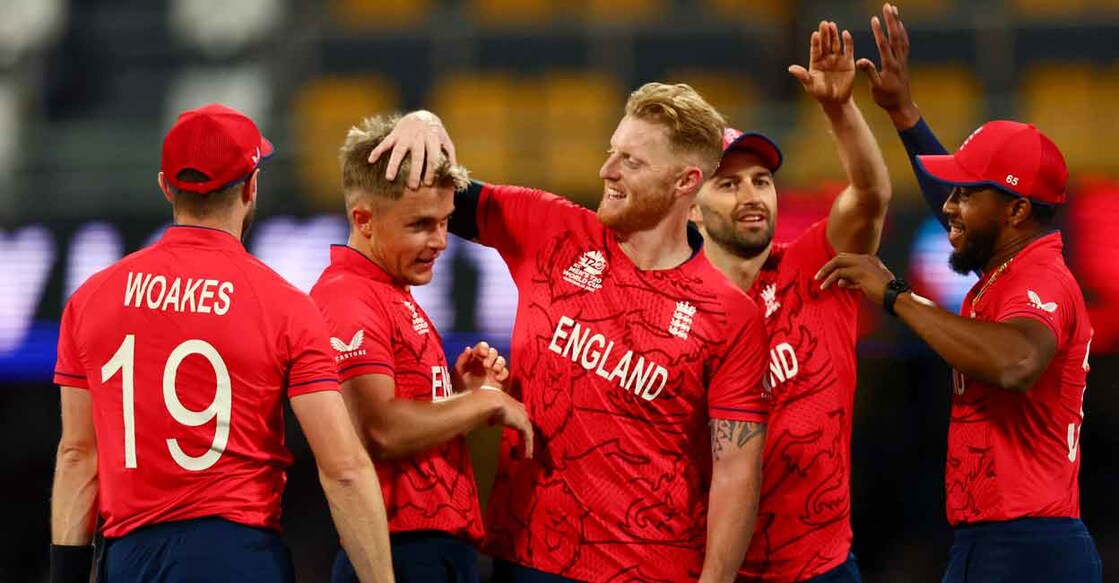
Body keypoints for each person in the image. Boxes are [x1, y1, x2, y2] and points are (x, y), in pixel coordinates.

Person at [372, 82, 771, 582]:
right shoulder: (551, 229)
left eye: (632, 161)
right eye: (612, 151)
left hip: (651, 570)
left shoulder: (731, 315)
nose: (608, 170)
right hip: (525, 562)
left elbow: (737, 472)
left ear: (684, 181)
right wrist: (423, 120)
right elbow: (421, 186)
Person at [814, 5, 1103, 581]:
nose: (949, 204)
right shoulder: (1006, 266)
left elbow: (1016, 360)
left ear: (1018, 209)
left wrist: (896, 294)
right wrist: (902, 113)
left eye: (968, 193)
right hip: (999, 541)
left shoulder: (1042, 280)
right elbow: (959, 211)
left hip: (1030, 548)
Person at [49, 104, 394, 583]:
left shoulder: (91, 298)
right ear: (252, 188)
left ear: (166, 187)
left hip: (130, 559)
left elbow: (77, 456)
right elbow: (344, 470)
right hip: (238, 554)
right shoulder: (285, 306)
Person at [690, 20, 891, 583]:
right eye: (728, 184)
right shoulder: (670, 306)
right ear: (689, 206)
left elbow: (872, 194)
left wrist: (839, 110)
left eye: (761, 180)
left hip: (822, 568)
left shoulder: (812, 268)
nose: (751, 195)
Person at [310, 114, 534, 583]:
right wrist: (482, 404)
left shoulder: (391, 291)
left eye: (445, 223)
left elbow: (403, 420)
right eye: (421, 225)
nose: (440, 242)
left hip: (432, 547)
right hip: (398, 551)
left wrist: (456, 394)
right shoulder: (348, 297)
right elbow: (380, 430)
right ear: (363, 219)